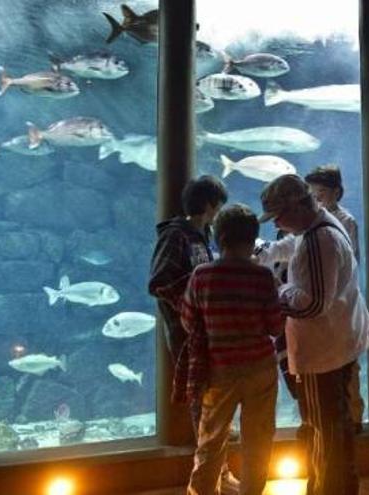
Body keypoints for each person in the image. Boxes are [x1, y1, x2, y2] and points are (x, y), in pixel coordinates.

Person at [257, 174, 369, 495]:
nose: (277, 223)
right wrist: (265, 254)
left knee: (326, 430)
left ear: (296, 206)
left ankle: (330, 488)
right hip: (340, 342)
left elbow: (312, 305)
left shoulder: (317, 241)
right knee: (333, 427)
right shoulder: (320, 225)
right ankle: (330, 485)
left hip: (324, 353)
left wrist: (275, 289)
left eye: (278, 215)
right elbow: (289, 245)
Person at [175, 203, 284, 495]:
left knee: (210, 439)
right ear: (253, 239)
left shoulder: (202, 276)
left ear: (219, 239)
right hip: (260, 368)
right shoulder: (262, 277)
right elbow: (275, 326)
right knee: (259, 439)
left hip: (219, 369)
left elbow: (188, 320)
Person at [148, 175, 239, 492]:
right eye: (218, 205)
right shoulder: (176, 236)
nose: (219, 212)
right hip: (188, 336)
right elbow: (158, 282)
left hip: (212, 332)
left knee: (216, 404)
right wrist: (192, 304)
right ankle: (208, 478)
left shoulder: (206, 234)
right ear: (210, 204)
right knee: (202, 405)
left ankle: (220, 471)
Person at [304, 165, 365, 433]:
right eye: (312, 193)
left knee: (348, 366)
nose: (316, 198)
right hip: (320, 311)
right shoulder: (309, 222)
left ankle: (354, 418)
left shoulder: (345, 220)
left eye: (322, 193)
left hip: (341, 307)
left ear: (336, 193)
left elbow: (350, 262)